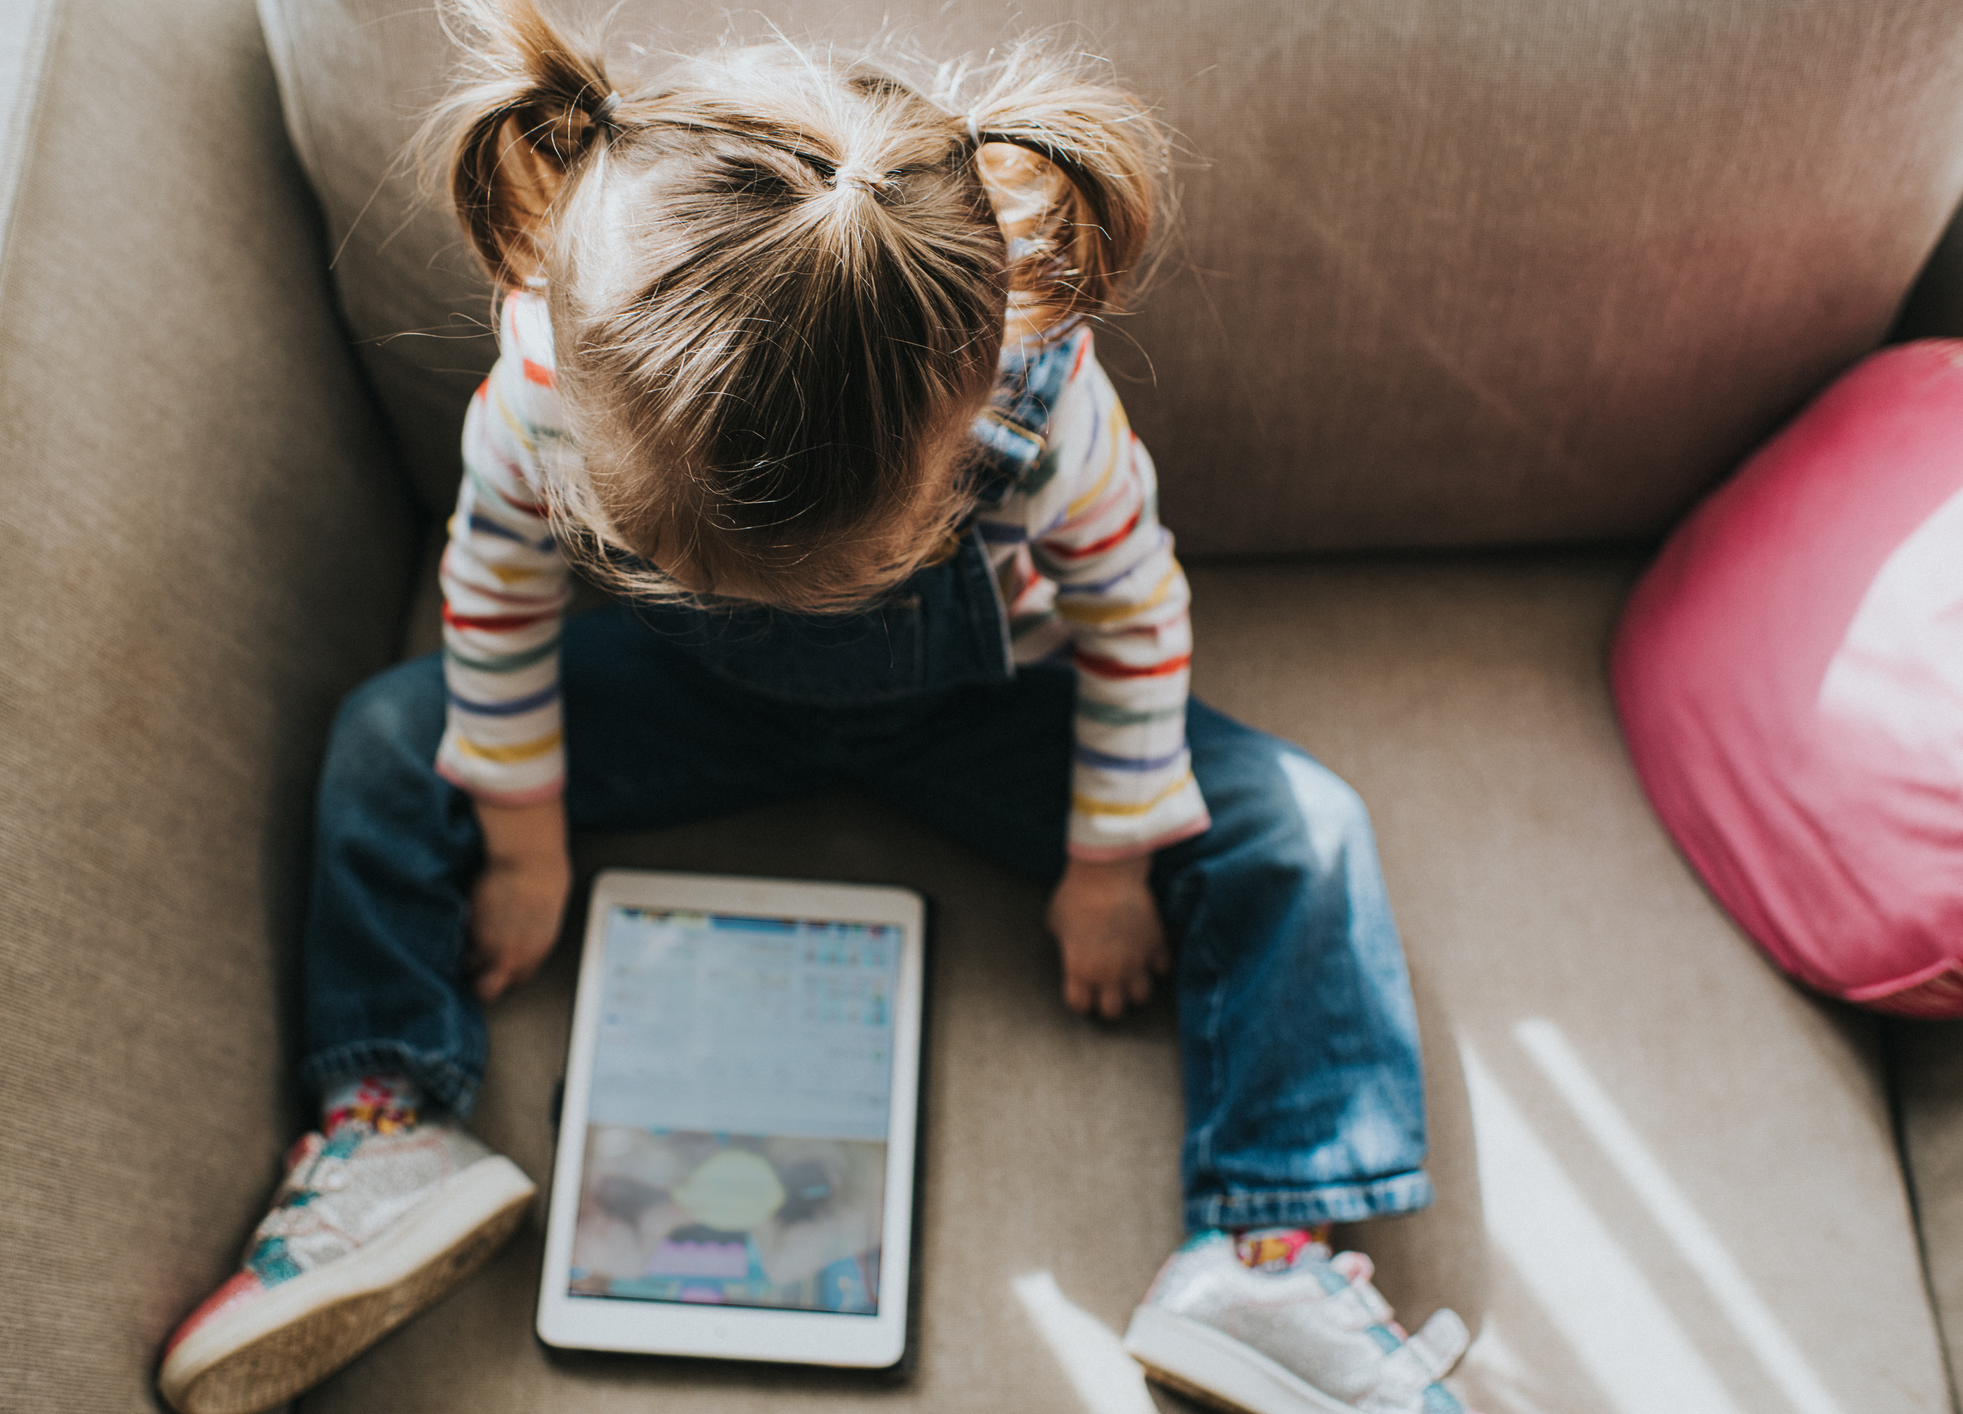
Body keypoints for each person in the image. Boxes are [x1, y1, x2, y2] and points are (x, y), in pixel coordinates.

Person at [157, 5, 1474, 1412]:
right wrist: (522, 818)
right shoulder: (548, 368)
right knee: (378, 742)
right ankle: (386, 1124)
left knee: (1307, 830)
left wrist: (1109, 853)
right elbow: (492, 580)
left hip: (983, 701)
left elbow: (1135, 607)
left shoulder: (1033, 391)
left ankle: (1263, 1255)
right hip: (687, 693)